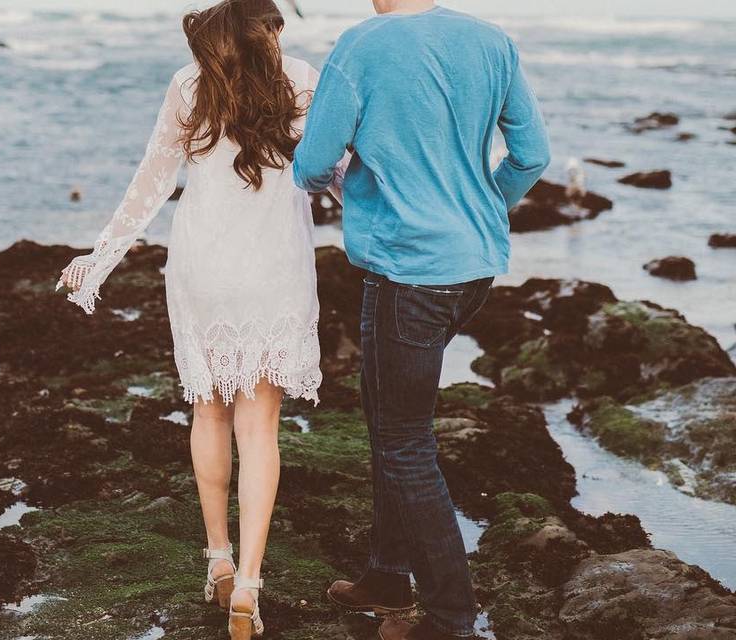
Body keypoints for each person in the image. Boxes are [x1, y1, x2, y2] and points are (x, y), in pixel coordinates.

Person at [56, 2, 343, 638]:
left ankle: (216, 557)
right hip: (275, 266)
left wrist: (101, 256)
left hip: (202, 266)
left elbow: (152, 180)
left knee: (208, 410)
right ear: (272, 28)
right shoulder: (304, 79)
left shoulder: (191, 81)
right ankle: (248, 584)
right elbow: (337, 176)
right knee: (259, 425)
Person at [292, 1, 551, 638]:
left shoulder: (363, 44)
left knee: (405, 441)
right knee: (385, 415)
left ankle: (449, 617)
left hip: (412, 269)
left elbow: (312, 161)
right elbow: (532, 155)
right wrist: (486, 204)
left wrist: (343, 181)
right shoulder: (491, 39)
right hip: (471, 267)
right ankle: (386, 574)